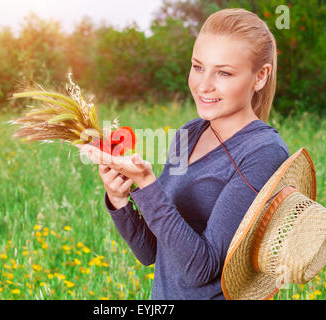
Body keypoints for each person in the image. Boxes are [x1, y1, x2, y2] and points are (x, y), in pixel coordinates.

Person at [78, 8, 289, 300]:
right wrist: (120, 198)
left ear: (260, 76)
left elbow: (201, 270)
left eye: (224, 72)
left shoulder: (262, 153)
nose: (204, 85)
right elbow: (151, 251)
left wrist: (147, 183)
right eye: (198, 66)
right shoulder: (189, 134)